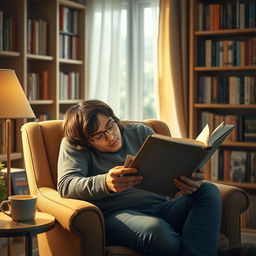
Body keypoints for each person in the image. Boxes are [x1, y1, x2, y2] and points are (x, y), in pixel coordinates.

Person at [57, 99, 256, 256]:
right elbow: (66, 186)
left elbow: (171, 167)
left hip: (163, 206)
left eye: (110, 126)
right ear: (87, 141)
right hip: (118, 215)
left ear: (115, 119)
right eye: (98, 136)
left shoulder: (140, 132)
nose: (110, 136)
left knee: (208, 190)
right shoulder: (75, 145)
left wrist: (192, 177)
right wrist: (106, 183)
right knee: (157, 233)